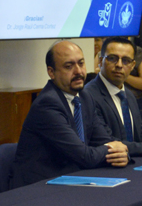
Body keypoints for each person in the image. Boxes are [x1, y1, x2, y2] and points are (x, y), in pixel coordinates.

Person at [10, 41, 129, 188]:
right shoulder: (47, 104)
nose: (78, 71)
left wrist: (122, 153)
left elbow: (104, 140)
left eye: (81, 63)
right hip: (39, 187)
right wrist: (114, 149)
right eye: (69, 66)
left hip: (72, 180)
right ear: (51, 72)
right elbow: (84, 156)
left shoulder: (85, 97)